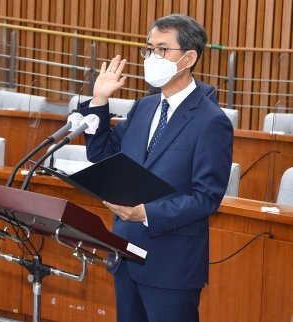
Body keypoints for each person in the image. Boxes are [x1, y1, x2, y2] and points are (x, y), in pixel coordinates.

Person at [78, 14, 233, 322]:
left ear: (188, 58)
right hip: (125, 253)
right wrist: (98, 99)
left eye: (162, 49)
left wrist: (145, 213)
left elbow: (206, 197)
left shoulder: (211, 120)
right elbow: (101, 155)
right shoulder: (144, 107)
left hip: (171, 266)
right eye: (149, 49)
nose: (151, 58)